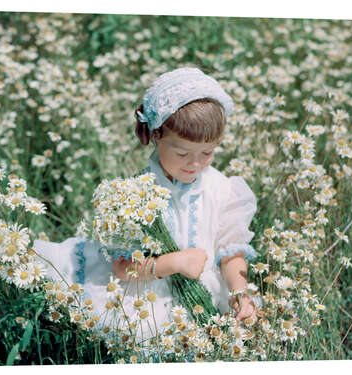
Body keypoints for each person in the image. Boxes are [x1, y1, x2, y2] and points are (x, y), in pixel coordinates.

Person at [33, 67, 258, 338]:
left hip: (205, 290)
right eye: (183, 152)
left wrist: (238, 293)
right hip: (148, 293)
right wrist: (174, 263)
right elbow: (123, 268)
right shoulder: (132, 196)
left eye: (207, 152)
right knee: (143, 332)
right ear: (156, 135)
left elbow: (231, 252)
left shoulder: (222, 189)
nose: (195, 163)